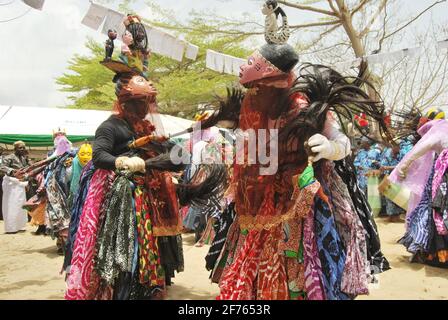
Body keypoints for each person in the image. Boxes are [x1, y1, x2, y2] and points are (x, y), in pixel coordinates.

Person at [200, 2, 391, 300]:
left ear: (276, 81)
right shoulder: (255, 107)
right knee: (252, 259)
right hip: (259, 196)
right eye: (253, 91)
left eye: (260, 89)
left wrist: (329, 147)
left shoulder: (306, 108)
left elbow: (343, 143)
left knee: (306, 259)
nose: (254, 96)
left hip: (302, 196)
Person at [389, 118, 448, 268]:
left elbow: (417, 151)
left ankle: (434, 254)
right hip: (440, 179)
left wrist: (402, 168)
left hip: (443, 179)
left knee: (437, 212)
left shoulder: (437, 132)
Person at [0, 141, 31, 233]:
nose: (22, 149)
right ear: (15, 148)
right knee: (11, 205)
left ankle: (20, 226)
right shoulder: (9, 157)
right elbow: (2, 167)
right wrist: (13, 171)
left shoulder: (24, 158)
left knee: (20, 205)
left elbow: (28, 168)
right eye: (20, 147)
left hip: (20, 183)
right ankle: (11, 228)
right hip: (10, 183)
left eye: (23, 147)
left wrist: (27, 181)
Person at [380, 144, 405, 222]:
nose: (397, 148)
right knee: (388, 196)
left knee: (398, 196)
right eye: (396, 146)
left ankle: (396, 216)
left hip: (399, 178)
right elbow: (383, 165)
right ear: (392, 147)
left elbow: (403, 165)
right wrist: (384, 169)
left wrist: (389, 167)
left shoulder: (402, 153)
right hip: (389, 177)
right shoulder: (387, 153)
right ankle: (391, 215)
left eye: (398, 147)